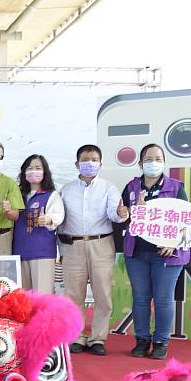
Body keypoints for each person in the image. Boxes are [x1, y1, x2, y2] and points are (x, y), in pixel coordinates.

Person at [120, 144, 190, 360]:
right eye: (148, 159)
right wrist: (125, 212)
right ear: (140, 163)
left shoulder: (176, 187)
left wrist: (175, 244)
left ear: (164, 162)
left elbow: (187, 221)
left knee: (163, 299)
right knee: (140, 298)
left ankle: (161, 342)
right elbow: (123, 216)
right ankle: (142, 340)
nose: (153, 163)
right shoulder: (132, 187)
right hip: (137, 252)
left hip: (167, 254)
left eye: (158, 158)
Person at [59, 144, 127, 356]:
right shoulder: (66, 189)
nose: (90, 163)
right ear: (76, 163)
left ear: (100, 163)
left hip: (101, 243)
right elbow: (60, 219)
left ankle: (98, 338)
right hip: (72, 245)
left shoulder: (109, 188)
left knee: (102, 294)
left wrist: (122, 213)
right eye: (85, 160)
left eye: (94, 160)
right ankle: (77, 337)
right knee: (73, 295)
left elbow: (115, 215)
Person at [12, 155, 64, 293]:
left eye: (38, 168)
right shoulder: (18, 194)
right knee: (23, 300)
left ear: (45, 172)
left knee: (42, 297)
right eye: (29, 168)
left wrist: (48, 219)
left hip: (42, 253)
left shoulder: (51, 195)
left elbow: (58, 216)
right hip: (20, 253)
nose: (33, 171)